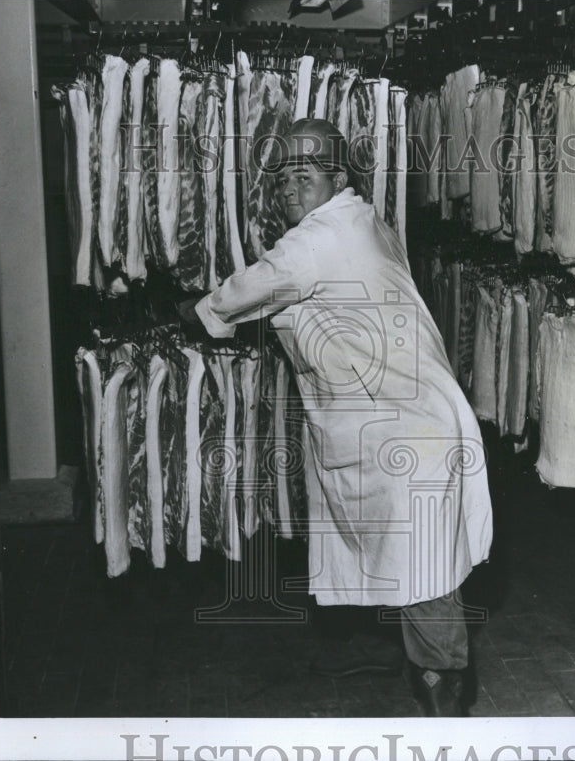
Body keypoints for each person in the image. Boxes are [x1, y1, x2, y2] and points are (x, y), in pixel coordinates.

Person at [179, 119, 493, 716]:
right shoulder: (364, 220)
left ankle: (447, 711)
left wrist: (189, 311)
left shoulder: (318, 238)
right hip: (407, 417)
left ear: (338, 178)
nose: (290, 188)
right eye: (282, 178)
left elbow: (241, 294)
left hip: (405, 431)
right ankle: (391, 654)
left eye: (305, 175)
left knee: (424, 576)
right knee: (400, 559)